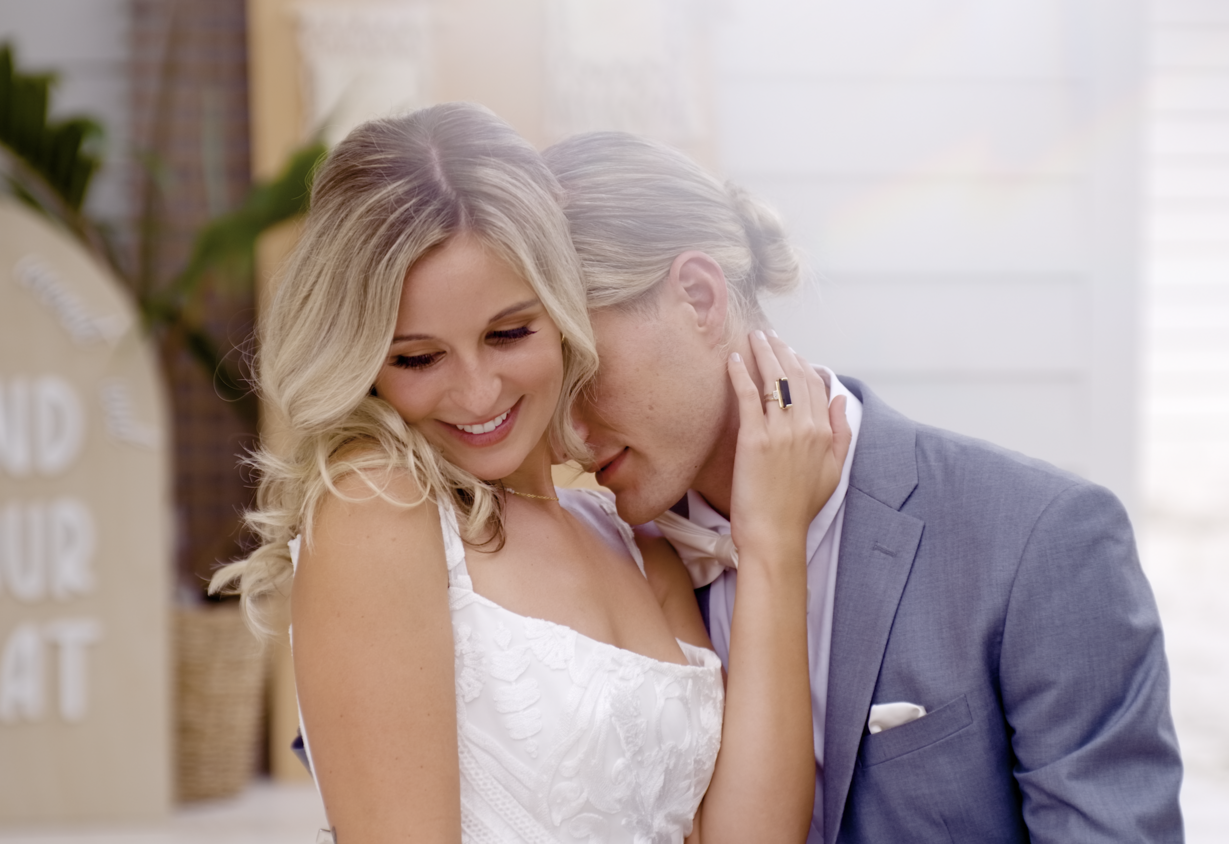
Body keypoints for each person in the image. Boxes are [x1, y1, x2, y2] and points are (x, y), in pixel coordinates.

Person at [211, 103, 850, 843]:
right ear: (366, 362)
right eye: (419, 357)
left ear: (561, 312)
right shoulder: (377, 507)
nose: (477, 393)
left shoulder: (639, 549)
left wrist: (771, 544)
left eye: (509, 333)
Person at [544, 131, 1185, 844]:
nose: (564, 435)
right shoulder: (607, 571)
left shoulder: (1041, 540)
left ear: (698, 297)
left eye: (583, 373)